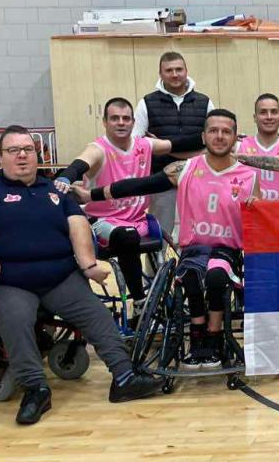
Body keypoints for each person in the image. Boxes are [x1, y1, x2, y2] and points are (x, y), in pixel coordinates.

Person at [0, 125, 162, 425]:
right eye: (13, 150)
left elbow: (78, 223)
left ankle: (124, 377)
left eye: (28, 149)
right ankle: (35, 389)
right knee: (17, 319)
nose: (22, 156)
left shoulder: (54, 190)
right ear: (1, 156)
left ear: (37, 155)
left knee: (96, 314)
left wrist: (88, 264)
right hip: (9, 280)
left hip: (60, 277)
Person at [77, 110, 259, 369]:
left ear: (234, 137)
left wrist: (257, 205)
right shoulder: (185, 168)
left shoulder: (249, 175)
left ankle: (215, 336)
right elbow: (139, 185)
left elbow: (261, 219)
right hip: (194, 248)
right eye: (213, 131)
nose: (219, 136)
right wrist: (90, 195)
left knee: (216, 277)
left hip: (226, 250)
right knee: (191, 276)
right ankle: (197, 337)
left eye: (226, 131)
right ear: (203, 136)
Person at [53, 98, 203, 313]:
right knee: (127, 236)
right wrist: (65, 178)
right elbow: (80, 163)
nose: (121, 123)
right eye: (115, 118)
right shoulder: (98, 149)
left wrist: (216, 137)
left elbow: (177, 144)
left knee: (181, 239)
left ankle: (170, 297)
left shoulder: (144, 144)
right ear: (105, 122)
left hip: (139, 220)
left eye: (126, 118)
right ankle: (140, 301)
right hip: (103, 223)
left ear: (133, 122)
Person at [133, 51, 214, 236]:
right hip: (161, 181)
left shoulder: (205, 102)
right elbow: (138, 143)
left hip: (198, 180)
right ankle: (159, 258)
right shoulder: (146, 103)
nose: (175, 74)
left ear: (186, 71)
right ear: (160, 74)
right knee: (160, 235)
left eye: (179, 69)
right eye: (169, 70)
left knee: (199, 233)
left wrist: (162, 147)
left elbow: (213, 142)